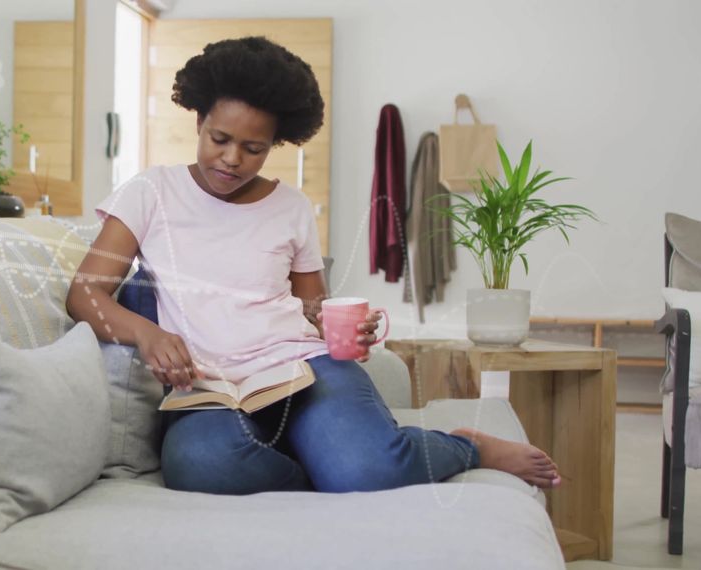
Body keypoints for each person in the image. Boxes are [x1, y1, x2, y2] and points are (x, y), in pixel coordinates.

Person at [66, 37, 560, 495]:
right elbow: (85, 295)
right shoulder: (151, 192)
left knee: (368, 471)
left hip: (302, 370)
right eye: (219, 138)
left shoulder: (292, 207)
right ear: (198, 122)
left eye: (253, 148)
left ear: (276, 143)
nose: (232, 158)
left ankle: (465, 446)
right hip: (210, 386)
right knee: (202, 464)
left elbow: (312, 308)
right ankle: (327, 465)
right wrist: (147, 334)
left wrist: (340, 326)